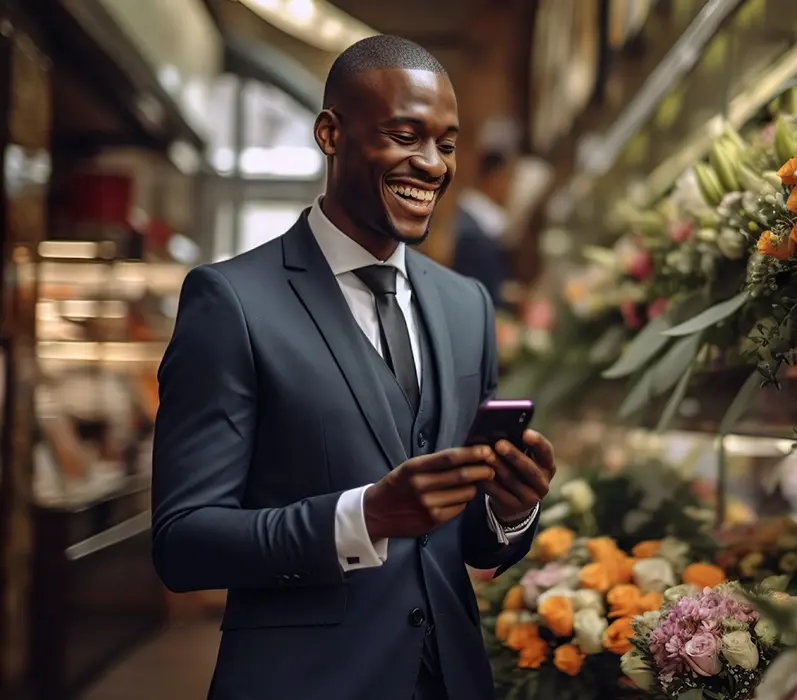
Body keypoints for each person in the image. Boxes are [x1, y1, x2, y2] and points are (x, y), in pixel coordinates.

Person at [151, 35, 556, 700]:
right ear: (330, 134)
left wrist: (511, 509)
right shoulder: (231, 303)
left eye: (447, 144)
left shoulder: (466, 306)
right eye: (405, 136)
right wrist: (363, 516)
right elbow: (183, 543)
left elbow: (474, 548)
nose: (431, 165)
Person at [452, 149, 515, 309]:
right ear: (494, 178)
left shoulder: (487, 220)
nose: (508, 186)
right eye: (506, 178)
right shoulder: (471, 226)